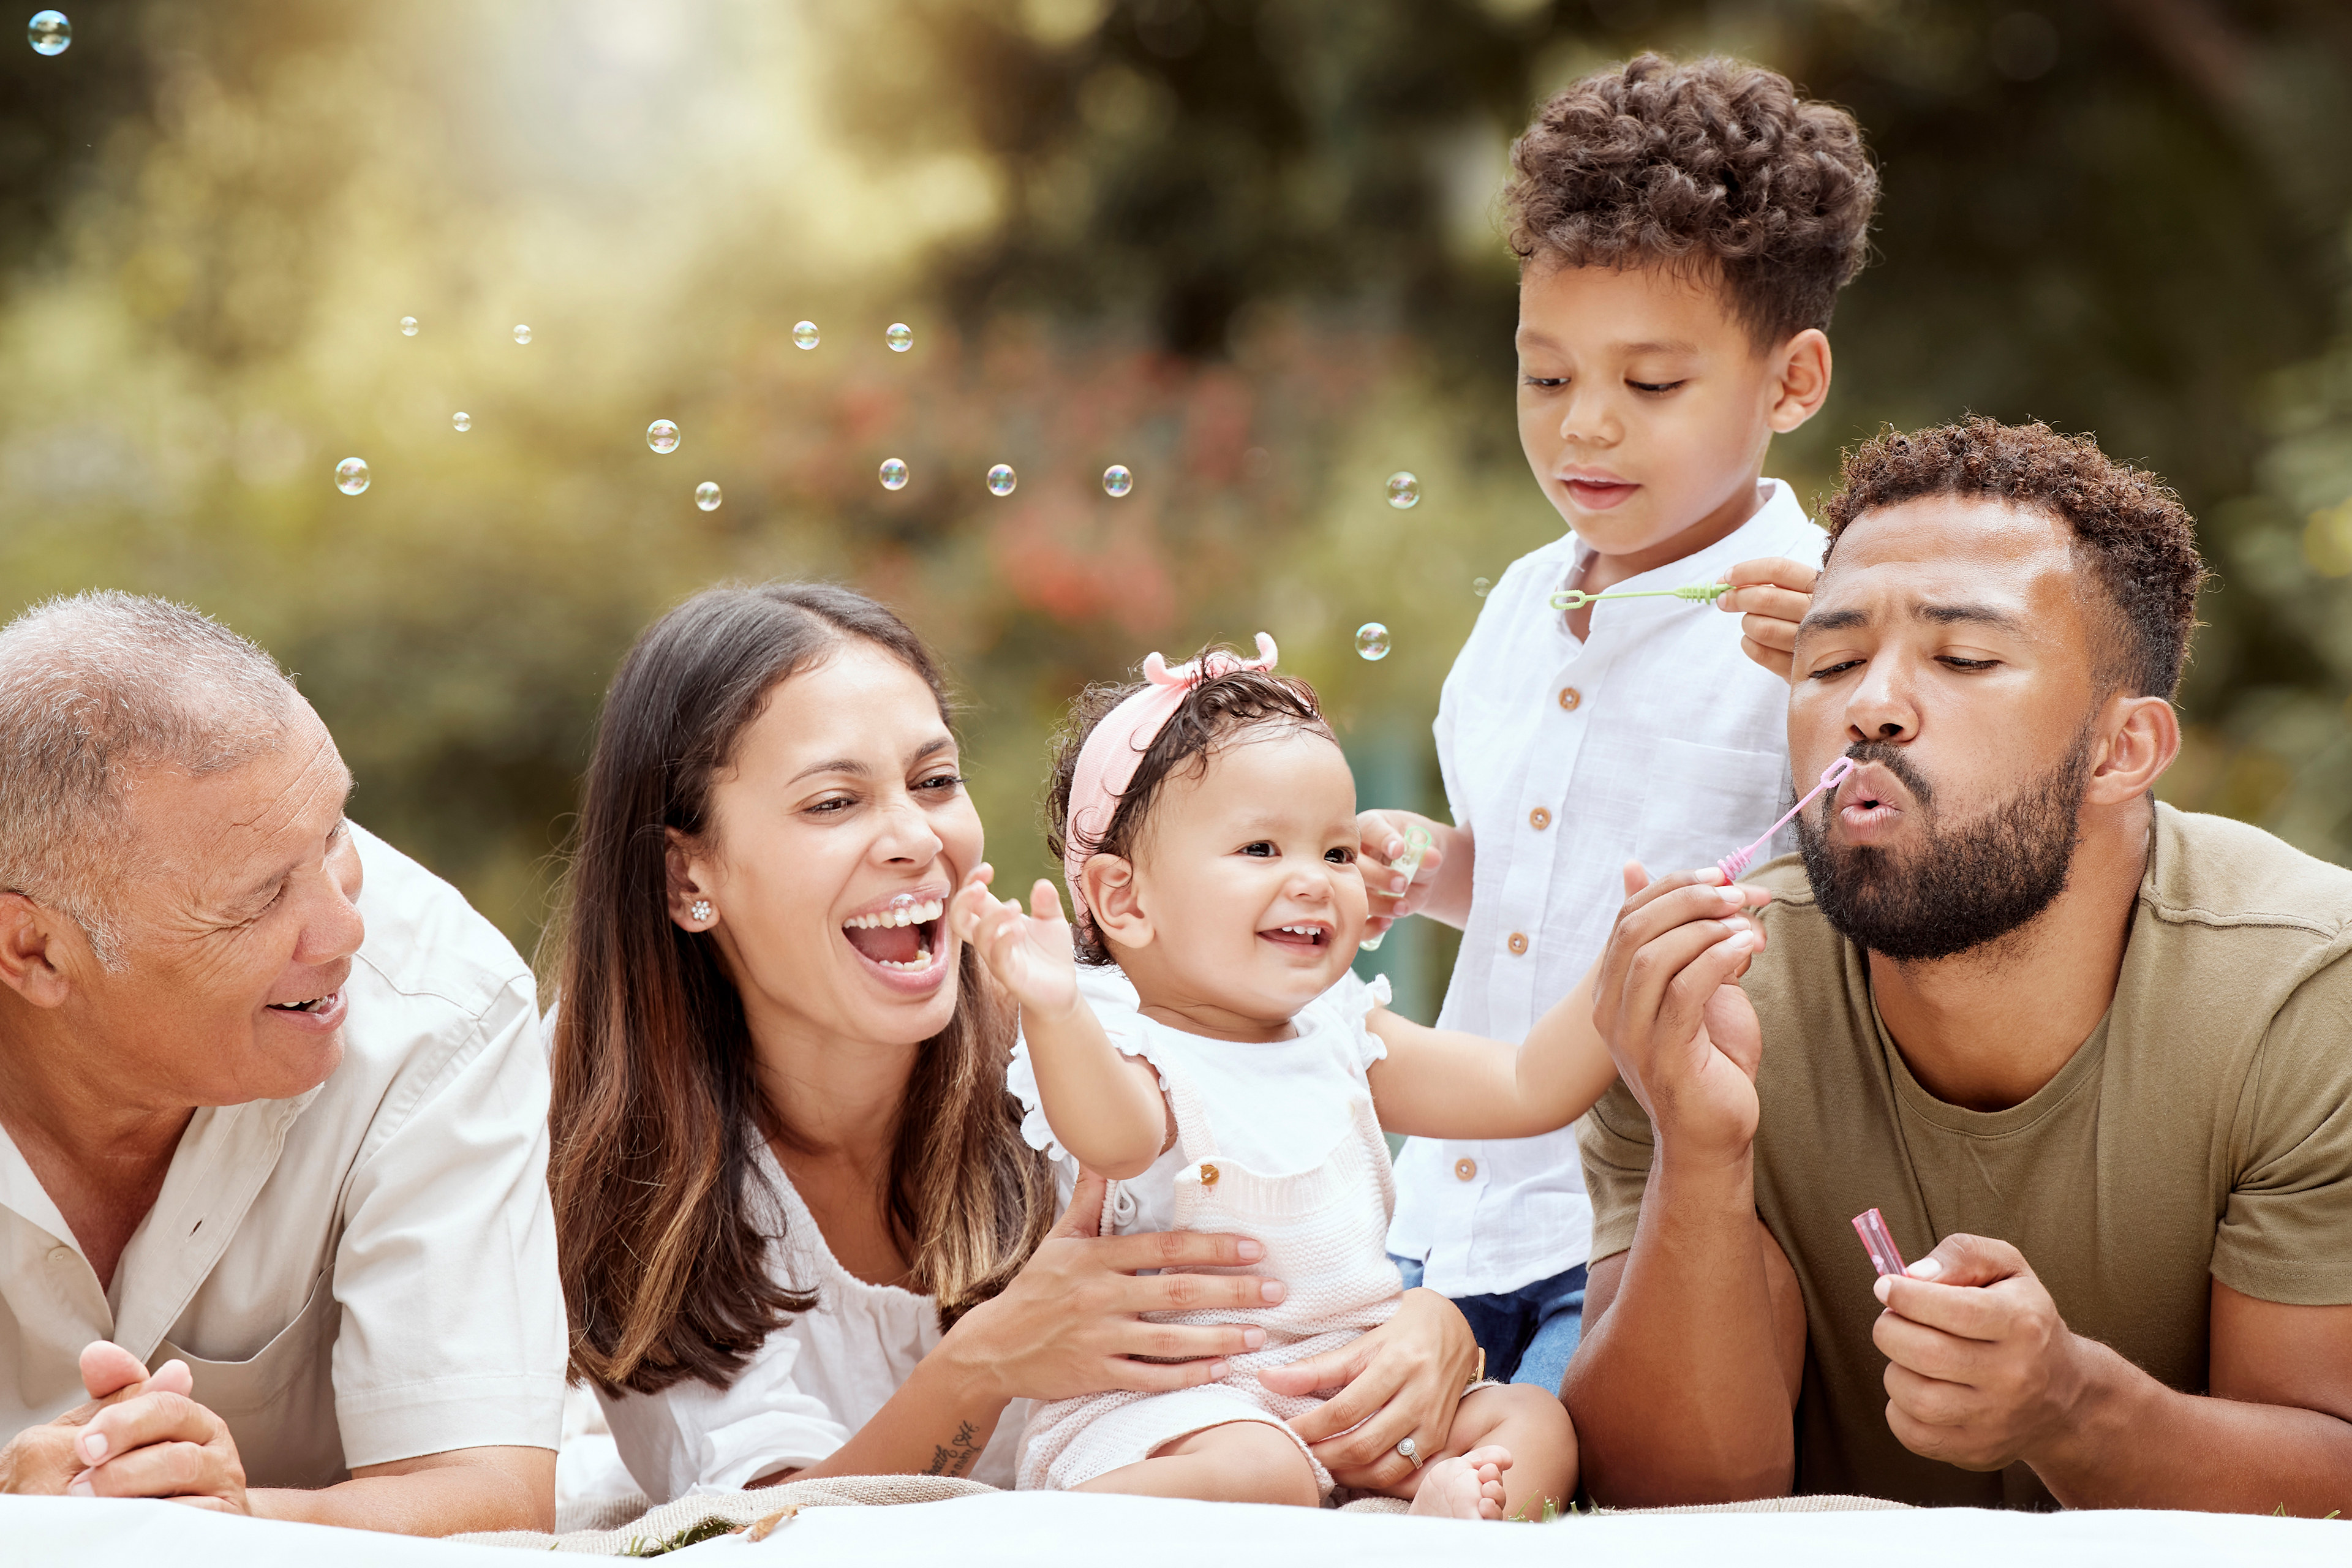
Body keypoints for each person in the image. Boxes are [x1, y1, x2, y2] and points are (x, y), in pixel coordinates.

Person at [548, 584, 1485, 1504]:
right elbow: (769, 1525)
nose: (917, 837)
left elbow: (1303, 1265)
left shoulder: (1085, 1040)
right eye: (835, 802)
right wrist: (987, 1362)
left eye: (934, 781)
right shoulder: (635, 1159)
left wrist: (1431, 1323)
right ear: (686, 877)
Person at [1566, 418, 2352, 1513]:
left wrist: (2074, 1409)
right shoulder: (1706, 1001)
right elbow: (1658, 1498)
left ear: (2124, 751)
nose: (1868, 707)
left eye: (1965, 659)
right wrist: (1700, 1150)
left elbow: (2332, 1482)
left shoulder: (2307, 997)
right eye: (1829, 661)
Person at [1360, 52, 1877, 1396]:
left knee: (1555, 1466)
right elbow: (1547, 880)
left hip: (1649, 1228)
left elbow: (1878, 876)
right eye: (1546, 378)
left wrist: (1848, 685)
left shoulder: (1835, 620)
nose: (1585, 425)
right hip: (1442, 1215)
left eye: (1652, 385)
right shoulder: (1524, 604)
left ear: (1793, 379)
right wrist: (1427, 865)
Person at [953, 640, 1585, 1520]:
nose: (1314, 882)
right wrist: (1053, 1012)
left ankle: (1436, 1527)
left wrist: (1624, 968)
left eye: (1334, 852)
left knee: (1532, 1416)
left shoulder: (1343, 1032)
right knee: (1264, 1474)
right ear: (1125, 901)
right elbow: (1115, 1137)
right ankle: (1051, 1533)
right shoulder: (1130, 1046)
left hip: (1349, 1403)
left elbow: (1523, 1086)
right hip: (1176, 1416)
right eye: (1260, 848)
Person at [0, 592, 565, 1534]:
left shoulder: (441, 1005)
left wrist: (225, 1517)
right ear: (34, 953)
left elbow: (495, 1497)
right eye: (260, 898)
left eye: (336, 832)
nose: (347, 927)